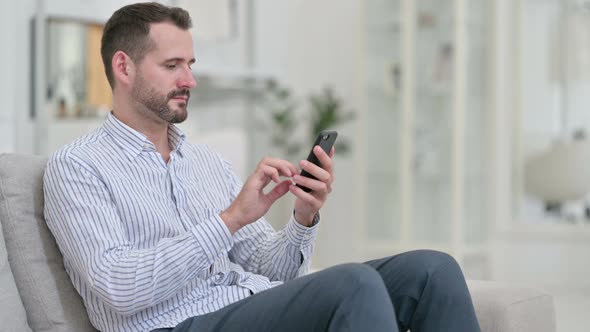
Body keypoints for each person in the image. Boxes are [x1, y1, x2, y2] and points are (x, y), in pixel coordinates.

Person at [43, 2, 481, 332]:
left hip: (246, 307)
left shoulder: (206, 163)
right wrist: (230, 219)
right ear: (124, 67)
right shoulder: (78, 167)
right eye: (172, 65)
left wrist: (303, 217)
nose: (189, 80)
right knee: (354, 285)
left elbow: (274, 272)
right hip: (174, 325)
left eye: (190, 65)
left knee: (431, 271)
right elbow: (120, 288)